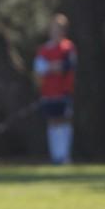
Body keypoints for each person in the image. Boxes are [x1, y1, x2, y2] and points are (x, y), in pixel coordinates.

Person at [35, 14, 76, 165]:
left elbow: (66, 67)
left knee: (64, 121)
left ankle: (64, 155)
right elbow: (40, 69)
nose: (56, 32)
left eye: (59, 29)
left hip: (64, 91)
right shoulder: (44, 49)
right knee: (52, 122)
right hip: (48, 92)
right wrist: (53, 67)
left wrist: (51, 67)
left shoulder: (68, 47)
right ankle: (55, 156)